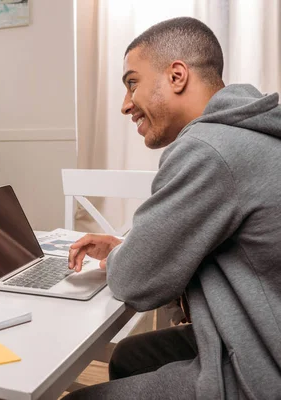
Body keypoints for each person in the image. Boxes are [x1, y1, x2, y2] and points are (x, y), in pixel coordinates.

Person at [65, 17, 281, 399]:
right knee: (132, 354)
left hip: (263, 369)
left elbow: (135, 282)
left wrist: (124, 259)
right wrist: (121, 247)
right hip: (259, 329)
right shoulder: (247, 128)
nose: (125, 104)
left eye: (133, 82)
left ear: (177, 75)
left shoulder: (209, 149)